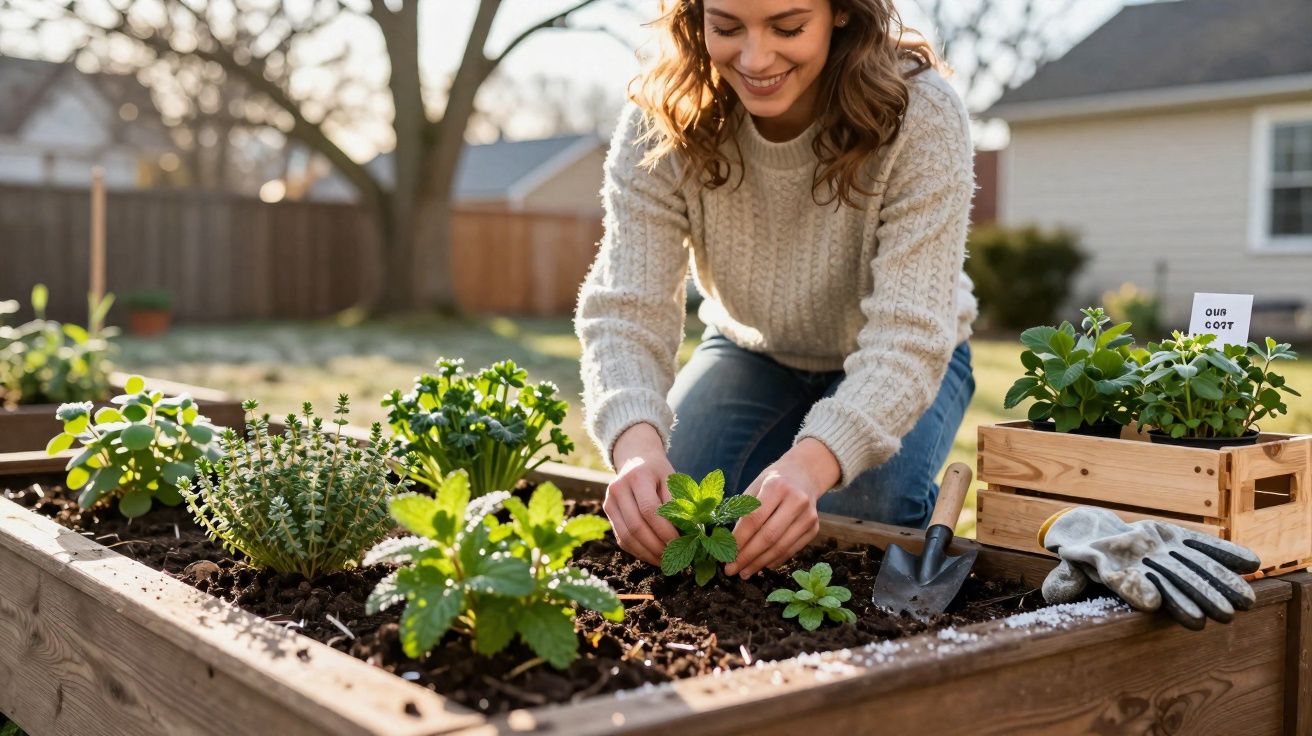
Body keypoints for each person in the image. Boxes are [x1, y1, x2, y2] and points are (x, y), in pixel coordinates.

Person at [574, 0, 977, 580]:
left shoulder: (921, 113)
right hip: (751, 348)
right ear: (696, 19)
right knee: (680, 502)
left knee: (863, 513)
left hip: (904, 354)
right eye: (727, 27)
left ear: (839, 13)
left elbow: (909, 338)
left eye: (788, 27)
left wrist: (812, 466)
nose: (755, 58)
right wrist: (634, 444)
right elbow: (624, 312)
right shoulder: (660, 121)